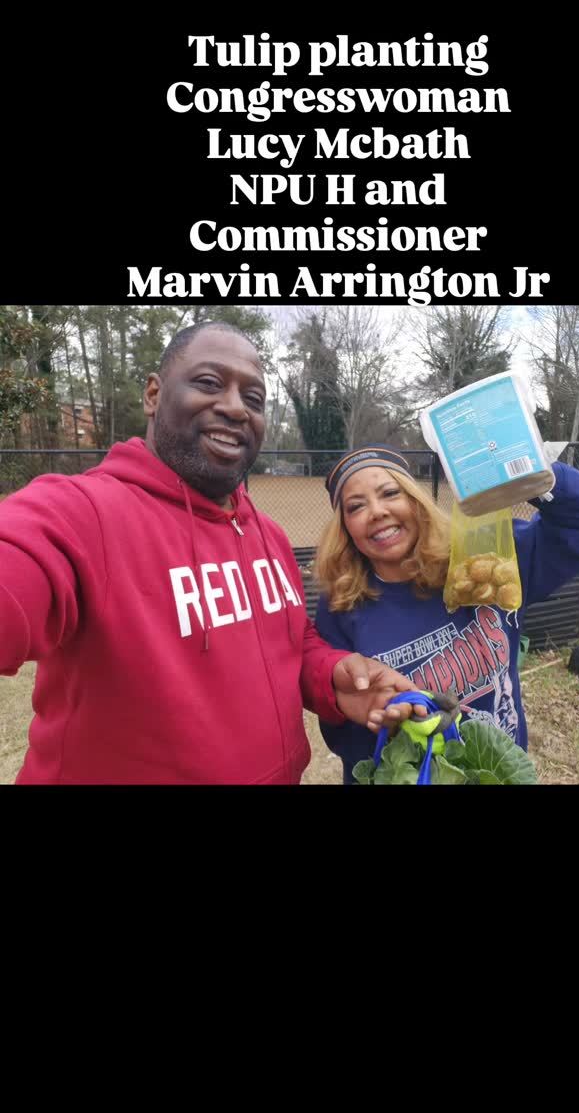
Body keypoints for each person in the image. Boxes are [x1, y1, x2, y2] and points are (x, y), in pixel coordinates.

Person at [0, 325, 425, 785]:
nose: (234, 407)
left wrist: (332, 676)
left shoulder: (269, 535)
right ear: (153, 394)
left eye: (254, 398)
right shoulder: (83, 514)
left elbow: (292, 641)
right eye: (208, 382)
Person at [314, 445, 579, 785]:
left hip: (496, 772)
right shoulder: (342, 605)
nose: (376, 511)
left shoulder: (481, 565)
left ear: (416, 502)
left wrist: (534, 463)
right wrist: (387, 717)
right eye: (355, 506)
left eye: (390, 493)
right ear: (345, 527)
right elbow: (341, 725)